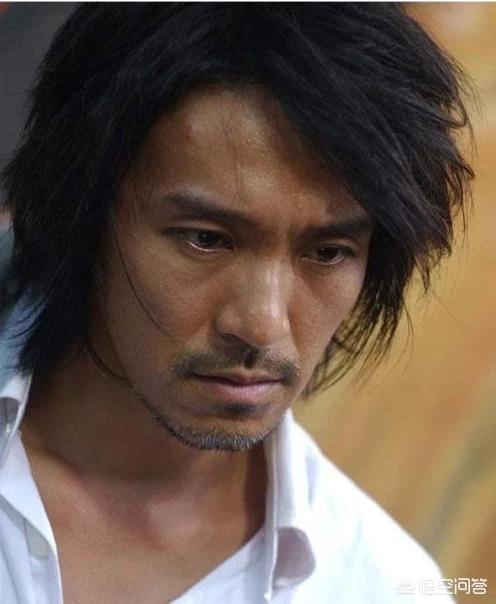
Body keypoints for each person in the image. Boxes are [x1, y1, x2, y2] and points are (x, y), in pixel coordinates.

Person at [0, 4, 474, 603]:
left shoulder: (381, 586)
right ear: (82, 214)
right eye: (206, 239)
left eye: (328, 252)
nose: (262, 324)